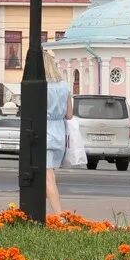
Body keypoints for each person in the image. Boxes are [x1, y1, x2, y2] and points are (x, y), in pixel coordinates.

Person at [45, 76, 75, 217]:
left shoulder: (43, 85)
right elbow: (69, 114)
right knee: (46, 175)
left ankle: (59, 216)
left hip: (45, 132)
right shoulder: (64, 86)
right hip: (59, 134)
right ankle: (34, 212)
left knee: (48, 177)